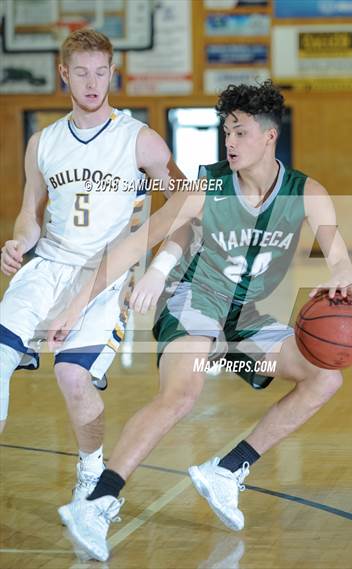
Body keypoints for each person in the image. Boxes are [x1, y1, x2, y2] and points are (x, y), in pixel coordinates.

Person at [48, 81, 352, 562]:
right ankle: (98, 502)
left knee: (326, 378)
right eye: (225, 132)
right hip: (195, 301)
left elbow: (340, 257)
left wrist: (341, 281)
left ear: (268, 137)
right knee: (182, 393)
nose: (230, 142)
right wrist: (78, 304)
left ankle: (227, 470)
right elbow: (139, 242)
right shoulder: (208, 186)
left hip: (250, 321)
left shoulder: (306, 191)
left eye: (239, 132)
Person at [0, 28, 185, 501]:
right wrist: (18, 242)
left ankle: (90, 466)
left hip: (104, 276)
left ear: (111, 73)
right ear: (64, 73)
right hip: (47, 266)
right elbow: (30, 212)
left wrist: (161, 267)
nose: (91, 82)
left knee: (72, 376)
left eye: (100, 72)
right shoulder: (42, 142)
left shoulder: (140, 141)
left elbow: (186, 206)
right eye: (81, 72)